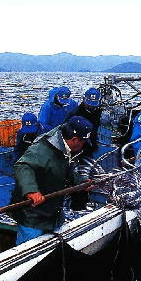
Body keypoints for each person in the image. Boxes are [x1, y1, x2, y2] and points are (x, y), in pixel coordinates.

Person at [10, 115, 93, 245]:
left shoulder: (65, 147)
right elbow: (23, 166)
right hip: (32, 215)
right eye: (83, 142)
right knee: (28, 251)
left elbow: (64, 169)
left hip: (52, 212)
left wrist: (80, 182)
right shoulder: (42, 149)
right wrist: (31, 191)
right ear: (75, 139)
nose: (83, 146)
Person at [65, 87, 102, 154]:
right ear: (84, 99)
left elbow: (95, 128)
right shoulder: (75, 113)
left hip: (90, 141)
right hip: (76, 143)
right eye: (89, 104)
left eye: (94, 105)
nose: (91, 107)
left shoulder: (98, 112)